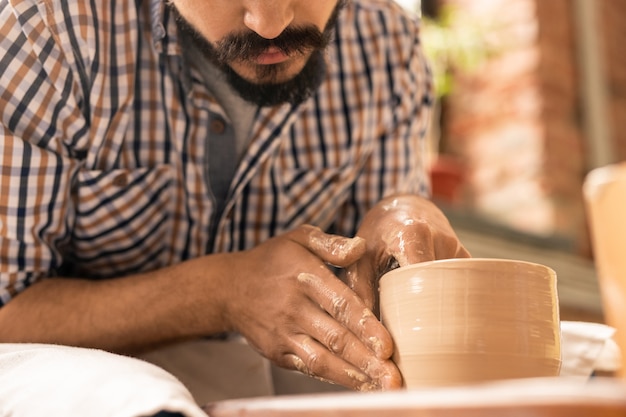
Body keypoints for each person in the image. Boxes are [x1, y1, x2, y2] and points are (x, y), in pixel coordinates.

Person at [0, 0, 470, 406]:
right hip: (80, 378)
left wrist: (398, 214)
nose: (269, 23)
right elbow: (7, 310)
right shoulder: (46, 29)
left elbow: (370, 294)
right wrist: (222, 293)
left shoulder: (387, 42)